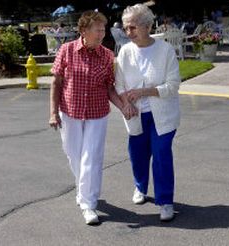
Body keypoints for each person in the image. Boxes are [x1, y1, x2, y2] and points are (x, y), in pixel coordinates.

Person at [49, 10, 131, 225]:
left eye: (103, 29)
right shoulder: (66, 51)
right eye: (97, 29)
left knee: (91, 159)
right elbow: (56, 83)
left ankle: (88, 204)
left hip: (97, 114)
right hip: (70, 112)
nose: (102, 33)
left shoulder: (106, 55)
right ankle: (84, 190)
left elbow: (109, 88)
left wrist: (123, 106)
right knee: (73, 155)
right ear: (83, 31)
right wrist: (52, 113)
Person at [115, 3, 181, 222]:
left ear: (146, 26)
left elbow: (173, 85)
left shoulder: (165, 50)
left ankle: (165, 201)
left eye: (132, 27)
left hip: (162, 115)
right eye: (125, 28)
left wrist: (147, 91)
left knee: (162, 155)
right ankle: (140, 187)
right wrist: (126, 103)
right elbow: (119, 84)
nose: (128, 33)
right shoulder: (125, 51)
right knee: (138, 155)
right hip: (135, 114)